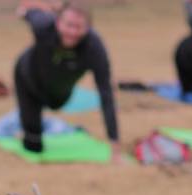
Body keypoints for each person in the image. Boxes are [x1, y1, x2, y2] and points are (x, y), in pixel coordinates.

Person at [13, 1, 121, 161]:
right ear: (58, 22)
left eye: (78, 27)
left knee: (55, 104)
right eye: (68, 25)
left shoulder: (94, 47)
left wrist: (114, 142)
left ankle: (43, 124)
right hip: (28, 80)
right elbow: (26, 10)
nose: (72, 32)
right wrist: (25, 12)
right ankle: (27, 127)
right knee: (33, 146)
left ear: (88, 28)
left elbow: (106, 93)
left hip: (58, 94)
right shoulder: (44, 25)